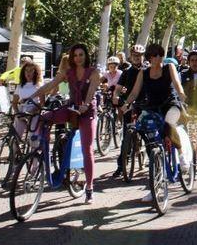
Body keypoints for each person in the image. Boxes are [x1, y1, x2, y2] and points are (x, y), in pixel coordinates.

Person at [29, 43, 100, 203]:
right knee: (45, 117)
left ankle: (89, 188)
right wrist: (31, 96)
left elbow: (91, 92)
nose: (78, 58)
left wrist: (85, 105)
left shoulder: (93, 72)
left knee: (87, 149)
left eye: (81, 55)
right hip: (71, 108)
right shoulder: (68, 72)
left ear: (86, 56)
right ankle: (41, 148)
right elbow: (50, 85)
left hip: (86, 112)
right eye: (75, 55)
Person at [122, 43, 190, 202]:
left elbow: (178, 87)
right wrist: (126, 104)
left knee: (168, 123)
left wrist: (184, 99)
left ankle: (181, 156)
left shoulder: (169, 68)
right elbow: (134, 92)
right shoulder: (143, 73)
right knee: (152, 145)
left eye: (160, 55)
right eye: (154, 55)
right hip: (152, 107)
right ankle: (155, 186)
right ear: (149, 58)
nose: (158, 58)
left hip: (170, 104)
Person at [111, 44, 146, 178]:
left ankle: (154, 160)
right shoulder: (127, 72)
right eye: (134, 55)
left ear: (143, 56)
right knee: (126, 135)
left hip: (144, 104)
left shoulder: (147, 70)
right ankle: (121, 165)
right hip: (128, 104)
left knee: (147, 134)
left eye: (139, 55)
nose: (137, 58)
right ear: (131, 57)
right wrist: (116, 96)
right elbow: (119, 87)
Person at [11, 58, 43, 138]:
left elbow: (42, 103)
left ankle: (33, 149)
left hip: (34, 113)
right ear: (23, 72)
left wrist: (34, 111)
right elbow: (14, 103)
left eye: (31, 70)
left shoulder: (38, 86)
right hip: (21, 112)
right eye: (26, 70)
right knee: (16, 136)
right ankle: (15, 149)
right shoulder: (20, 86)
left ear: (35, 72)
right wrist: (18, 113)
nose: (28, 73)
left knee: (33, 136)